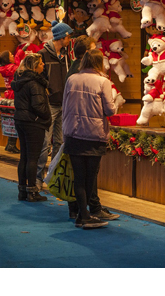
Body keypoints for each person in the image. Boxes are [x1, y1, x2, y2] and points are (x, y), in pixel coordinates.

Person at [63, 37, 118, 222]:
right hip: (93, 134)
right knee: (90, 177)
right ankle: (87, 214)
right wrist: (116, 102)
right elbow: (110, 110)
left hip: (73, 133)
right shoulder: (103, 82)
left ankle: (81, 215)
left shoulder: (71, 79)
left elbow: (64, 106)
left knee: (78, 177)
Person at [36, 20, 73, 189]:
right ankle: (38, 177)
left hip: (63, 103)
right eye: (68, 36)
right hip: (50, 104)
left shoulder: (66, 56)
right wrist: (48, 90)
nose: (70, 39)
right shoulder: (43, 54)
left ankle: (53, 178)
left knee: (59, 141)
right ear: (62, 37)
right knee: (45, 142)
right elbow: (39, 76)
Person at [11, 53, 51, 202]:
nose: (43, 65)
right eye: (41, 64)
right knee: (33, 158)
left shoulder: (20, 80)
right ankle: (32, 191)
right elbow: (38, 105)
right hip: (33, 122)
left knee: (24, 157)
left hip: (20, 120)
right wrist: (47, 116)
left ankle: (22, 190)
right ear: (34, 66)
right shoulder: (35, 83)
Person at [0, 50, 19, 154]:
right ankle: (11, 144)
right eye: (11, 54)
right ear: (7, 58)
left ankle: (10, 143)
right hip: (14, 94)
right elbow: (21, 70)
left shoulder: (3, 69)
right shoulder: (13, 68)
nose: (13, 55)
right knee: (15, 119)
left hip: (8, 94)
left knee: (11, 119)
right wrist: (19, 57)